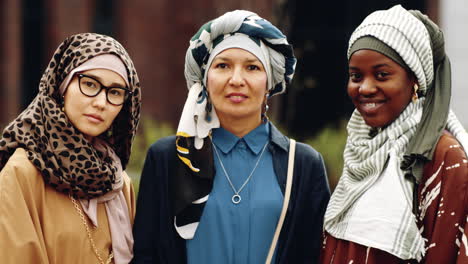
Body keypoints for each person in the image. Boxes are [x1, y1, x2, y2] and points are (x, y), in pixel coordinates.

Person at [132, 10, 330, 264]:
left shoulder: (302, 165)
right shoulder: (169, 158)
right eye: (223, 65)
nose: (237, 80)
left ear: (269, 81)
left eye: (252, 67)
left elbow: (314, 255)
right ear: (205, 78)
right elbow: (146, 255)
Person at [320, 5, 468, 264]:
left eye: (382, 75)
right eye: (356, 76)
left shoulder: (443, 156)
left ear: (415, 81)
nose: (364, 88)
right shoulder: (362, 148)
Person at [0, 33, 141, 264]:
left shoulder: (119, 183)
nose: (100, 102)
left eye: (115, 92)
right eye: (89, 84)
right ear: (62, 85)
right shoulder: (22, 173)